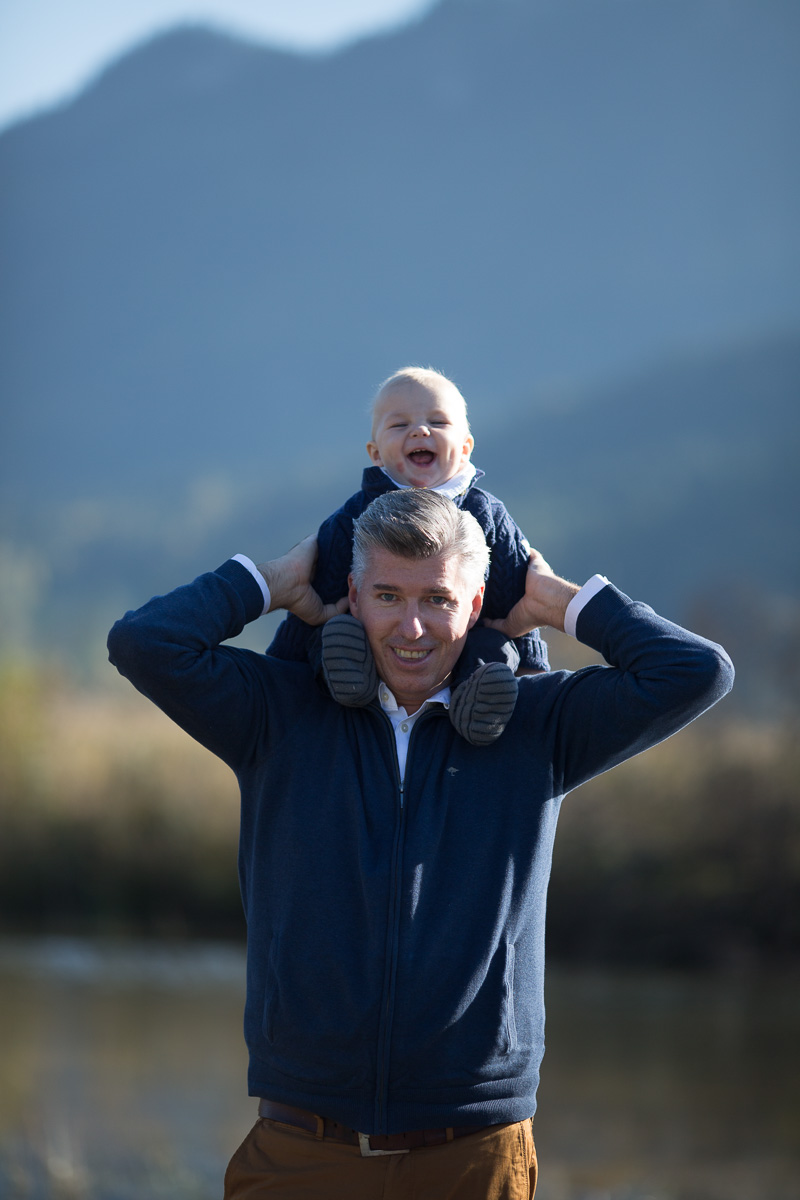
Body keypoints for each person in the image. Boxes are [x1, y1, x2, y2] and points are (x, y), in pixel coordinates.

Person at [107, 488, 734, 1199]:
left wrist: (556, 599)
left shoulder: (540, 725)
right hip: (303, 1144)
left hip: (472, 1152)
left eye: (438, 599)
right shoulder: (277, 712)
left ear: (475, 605)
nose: (411, 626)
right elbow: (143, 643)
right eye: (387, 595)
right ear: (353, 597)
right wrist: (273, 581)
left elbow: (698, 670)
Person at [266, 366, 551, 746]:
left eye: (438, 422)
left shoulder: (488, 515)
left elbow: (521, 594)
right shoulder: (354, 515)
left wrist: (533, 667)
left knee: (492, 650)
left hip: (466, 637)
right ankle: (348, 676)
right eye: (400, 425)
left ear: (466, 446)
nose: (420, 431)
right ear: (376, 453)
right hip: (373, 640)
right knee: (335, 636)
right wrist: (282, 662)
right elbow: (315, 588)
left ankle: (481, 703)